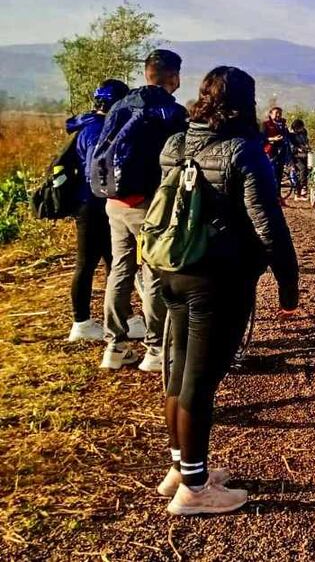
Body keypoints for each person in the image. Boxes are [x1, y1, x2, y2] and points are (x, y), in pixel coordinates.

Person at [156, 66, 299, 516]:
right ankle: (195, 491)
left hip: (170, 270)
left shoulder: (176, 142)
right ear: (246, 102)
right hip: (217, 280)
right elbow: (268, 224)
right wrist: (288, 282)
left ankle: (182, 469)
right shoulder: (244, 151)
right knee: (201, 380)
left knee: (179, 371)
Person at [94, 49, 187, 371]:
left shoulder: (121, 105)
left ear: (147, 73)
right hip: (149, 206)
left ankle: (115, 346)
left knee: (120, 269)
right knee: (154, 274)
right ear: (173, 76)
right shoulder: (171, 113)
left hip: (113, 202)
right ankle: (156, 350)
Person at [65, 79, 128, 342]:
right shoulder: (100, 130)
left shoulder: (87, 126)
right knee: (91, 263)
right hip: (95, 204)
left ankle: (120, 318)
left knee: (113, 261)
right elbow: (99, 170)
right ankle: (81, 322)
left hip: (89, 202)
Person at [262, 107, 292, 199]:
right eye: (276, 113)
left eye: (280, 113)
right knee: (272, 176)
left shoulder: (283, 125)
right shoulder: (266, 125)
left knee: (279, 177)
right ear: (271, 114)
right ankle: (270, 198)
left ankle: (278, 198)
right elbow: (261, 138)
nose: (278, 115)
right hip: (270, 152)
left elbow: (288, 137)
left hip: (282, 153)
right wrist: (272, 139)